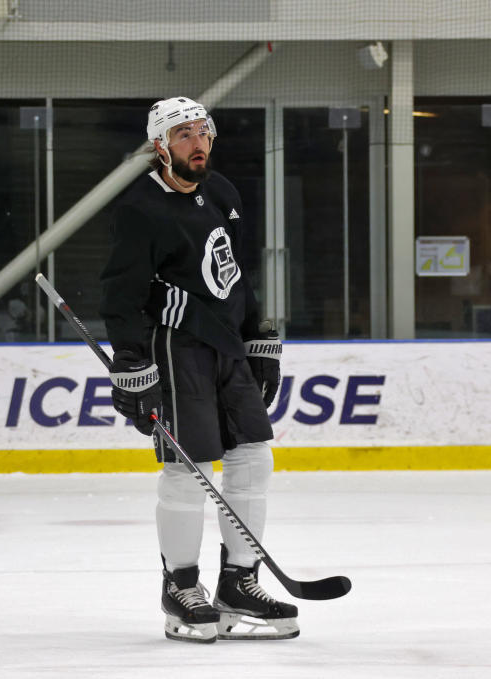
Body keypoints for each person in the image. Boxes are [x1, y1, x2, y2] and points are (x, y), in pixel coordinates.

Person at [99, 97, 298, 643]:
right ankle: (181, 587)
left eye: (202, 132)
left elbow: (235, 273)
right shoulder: (140, 208)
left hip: (229, 346)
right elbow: (121, 295)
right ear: (160, 146)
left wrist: (259, 336)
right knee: (190, 469)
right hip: (175, 347)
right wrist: (132, 365)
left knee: (254, 459)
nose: (197, 142)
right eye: (183, 134)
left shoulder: (222, 192)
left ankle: (239, 582)